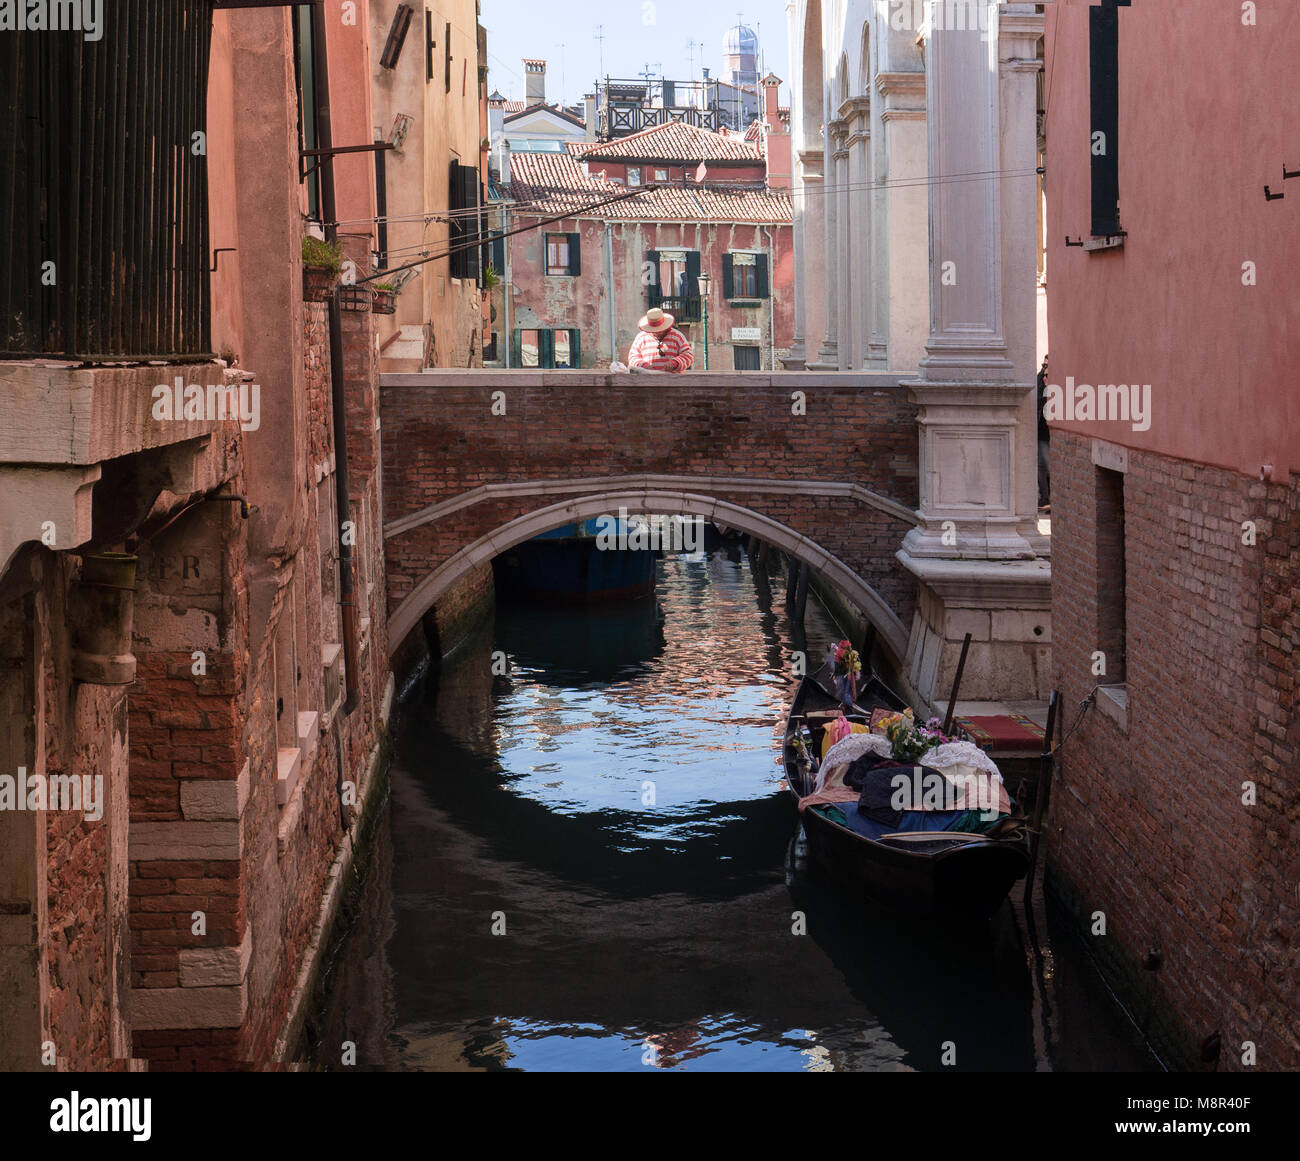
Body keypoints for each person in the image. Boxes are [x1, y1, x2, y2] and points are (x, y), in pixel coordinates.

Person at [627, 307, 694, 373]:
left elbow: (688, 355)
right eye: (654, 330)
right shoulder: (641, 337)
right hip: (647, 381)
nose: (657, 332)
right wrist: (643, 365)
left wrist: (675, 362)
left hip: (673, 381)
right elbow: (633, 357)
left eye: (659, 330)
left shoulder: (677, 336)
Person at [1036, 354, 1050, 508]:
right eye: (1043, 365)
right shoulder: (1040, 380)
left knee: (1048, 465)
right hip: (1041, 432)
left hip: (1050, 433)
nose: (1045, 369)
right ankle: (1045, 498)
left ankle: (1050, 497)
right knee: (1041, 465)